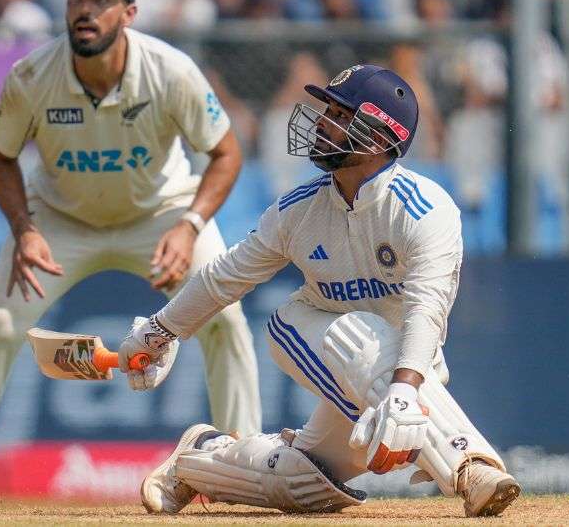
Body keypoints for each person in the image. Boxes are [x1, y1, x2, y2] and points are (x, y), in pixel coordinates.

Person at [0, 0, 262, 509]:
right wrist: (23, 228)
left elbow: (225, 153)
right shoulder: (32, 76)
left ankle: (243, 471)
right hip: (60, 220)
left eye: (101, 0)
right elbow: (0, 156)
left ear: (128, 13)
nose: (85, 10)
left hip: (163, 216)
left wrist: (191, 224)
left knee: (225, 321)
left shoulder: (171, 71)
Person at [120, 64, 522, 517]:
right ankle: (472, 468)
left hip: (401, 372)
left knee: (303, 483)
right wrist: (159, 331)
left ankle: (199, 458)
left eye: (339, 114)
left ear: (377, 137)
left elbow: (426, 308)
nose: (322, 123)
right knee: (360, 335)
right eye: (327, 109)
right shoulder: (298, 210)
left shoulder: (427, 210)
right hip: (302, 330)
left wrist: (405, 391)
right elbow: (225, 277)